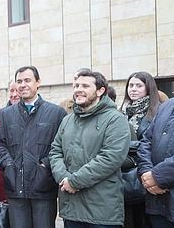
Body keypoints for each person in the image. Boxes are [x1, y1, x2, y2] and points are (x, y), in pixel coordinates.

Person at [49, 70, 131, 228]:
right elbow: (55, 152)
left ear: (100, 91)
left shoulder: (115, 119)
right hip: (71, 208)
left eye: (85, 86)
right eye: (76, 85)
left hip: (101, 212)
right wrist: (63, 177)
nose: (78, 89)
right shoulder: (67, 120)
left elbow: (110, 158)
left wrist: (75, 181)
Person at [0, 66, 67, 228]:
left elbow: (61, 146)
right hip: (15, 186)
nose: (23, 85)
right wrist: (8, 165)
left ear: (38, 83)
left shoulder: (56, 113)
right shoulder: (6, 114)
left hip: (43, 186)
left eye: (27, 80)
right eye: (19, 81)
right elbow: (0, 144)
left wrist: (44, 166)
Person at [137, 49, 174, 228]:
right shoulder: (167, 106)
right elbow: (146, 141)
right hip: (158, 204)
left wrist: (158, 176)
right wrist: (146, 174)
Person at [119, 71, 160, 228]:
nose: (133, 89)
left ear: (148, 88)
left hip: (145, 175)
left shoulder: (157, 112)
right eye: (131, 85)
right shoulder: (120, 112)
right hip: (122, 175)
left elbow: (152, 144)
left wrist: (125, 147)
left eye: (139, 85)